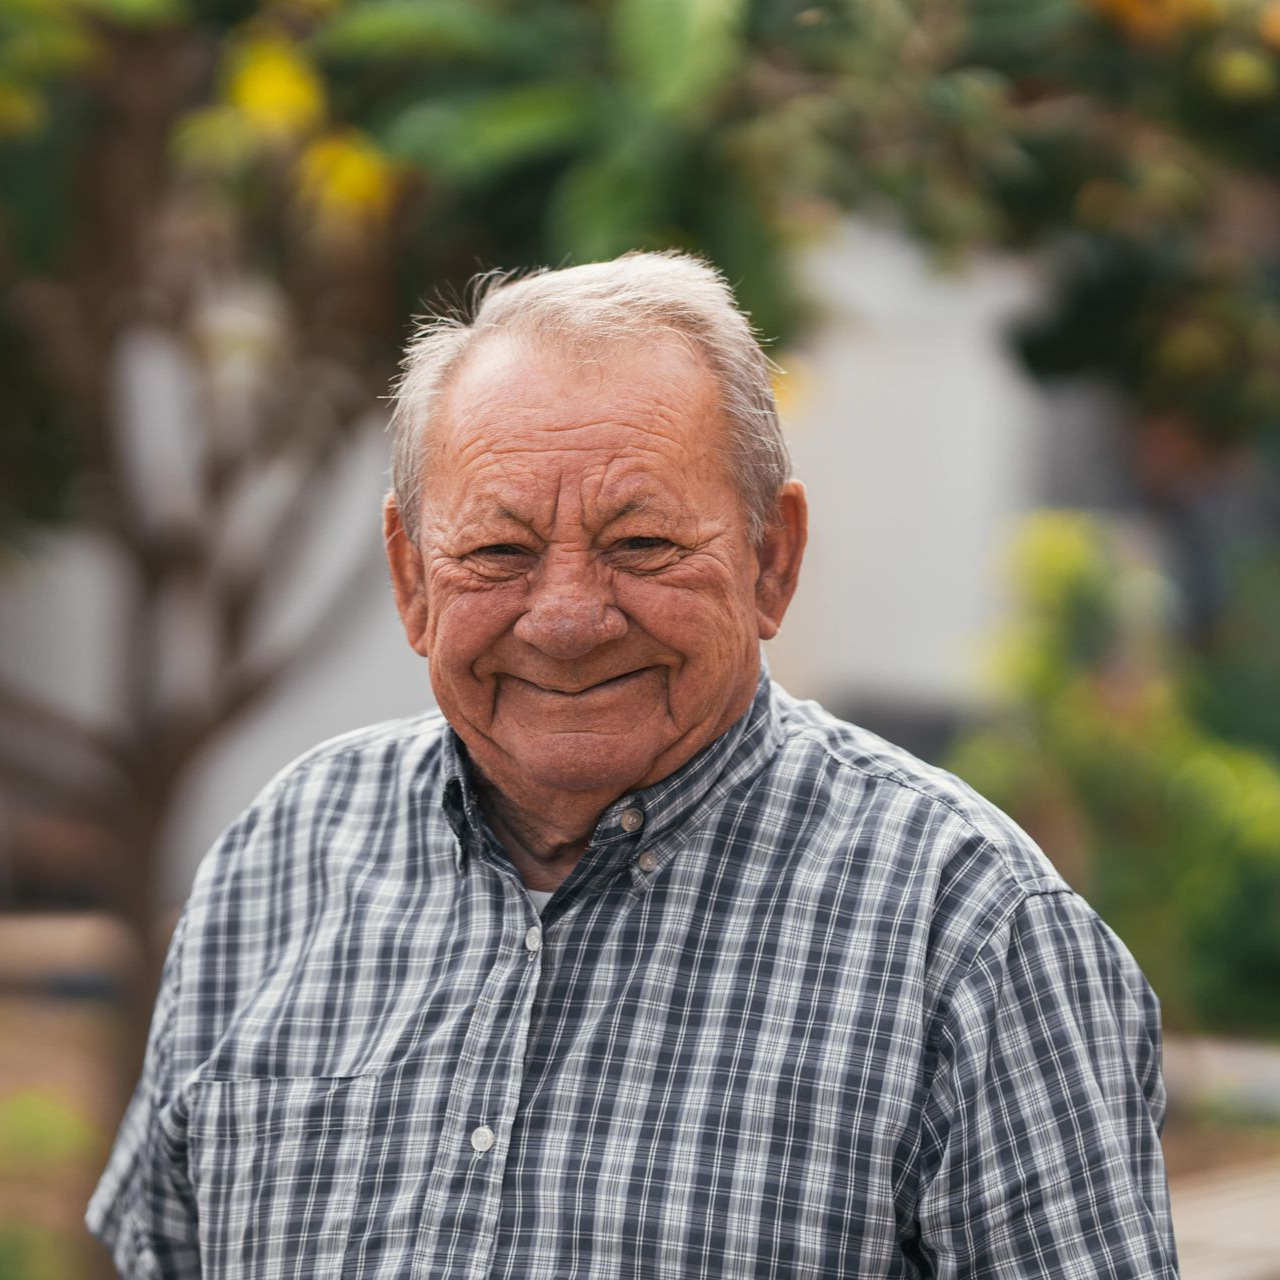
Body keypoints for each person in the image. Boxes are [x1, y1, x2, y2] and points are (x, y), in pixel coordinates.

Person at [87, 251, 1178, 1279]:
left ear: (769, 558)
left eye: (641, 543)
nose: (564, 618)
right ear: (412, 577)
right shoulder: (279, 861)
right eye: (497, 551)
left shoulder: (974, 929)